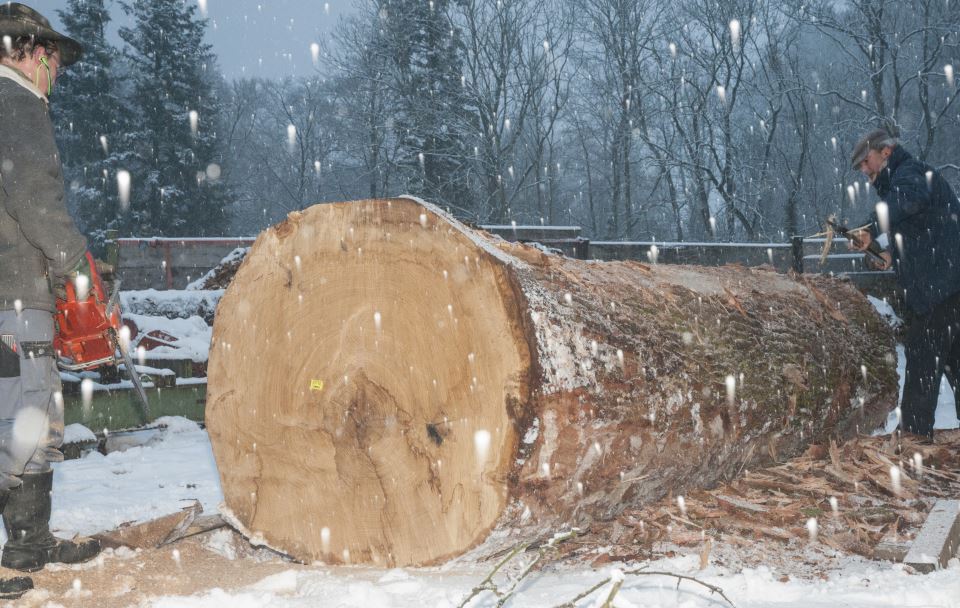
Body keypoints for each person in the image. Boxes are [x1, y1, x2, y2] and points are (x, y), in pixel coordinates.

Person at [0, 3, 101, 597]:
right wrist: (74, 264)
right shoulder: (15, 102)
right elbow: (36, 195)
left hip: (13, 284)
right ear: (32, 52)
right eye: (53, 62)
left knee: (30, 418)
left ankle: (30, 543)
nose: (54, 74)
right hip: (12, 289)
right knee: (22, 421)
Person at [848, 128, 960, 441]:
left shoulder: (911, 173)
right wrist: (886, 256)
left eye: (865, 161)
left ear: (886, 151)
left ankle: (913, 442)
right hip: (948, 287)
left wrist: (870, 227)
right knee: (953, 362)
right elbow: (917, 233)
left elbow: (905, 201)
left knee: (923, 358)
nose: (863, 170)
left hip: (942, 290)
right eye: (859, 167)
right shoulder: (903, 183)